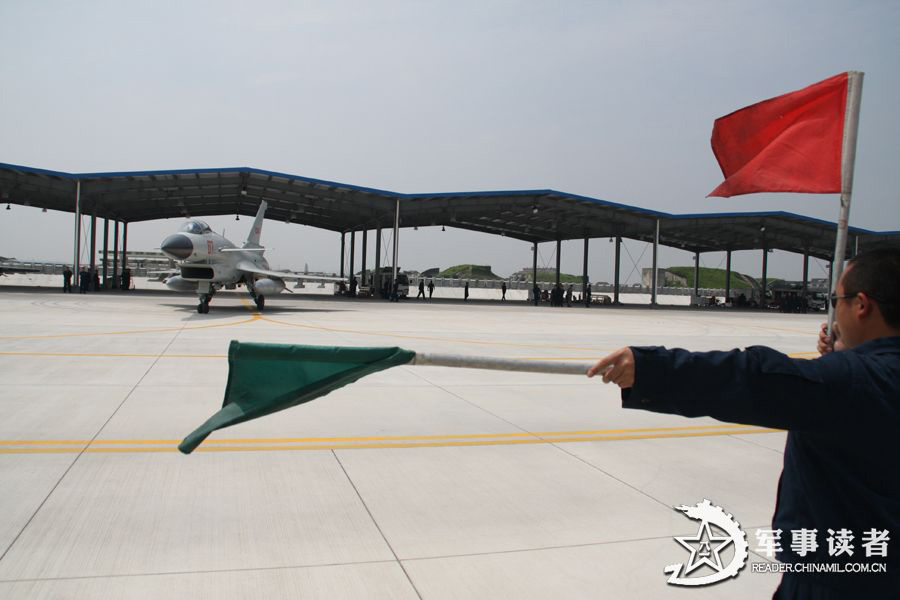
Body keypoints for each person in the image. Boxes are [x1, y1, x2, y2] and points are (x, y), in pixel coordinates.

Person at [587, 249, 900, 598]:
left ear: (861, 305)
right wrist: (845, 360)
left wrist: (652, 369)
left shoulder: (849, 382)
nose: (834, 312)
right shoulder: (858, 379)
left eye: (835, 299)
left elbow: (752, 380)